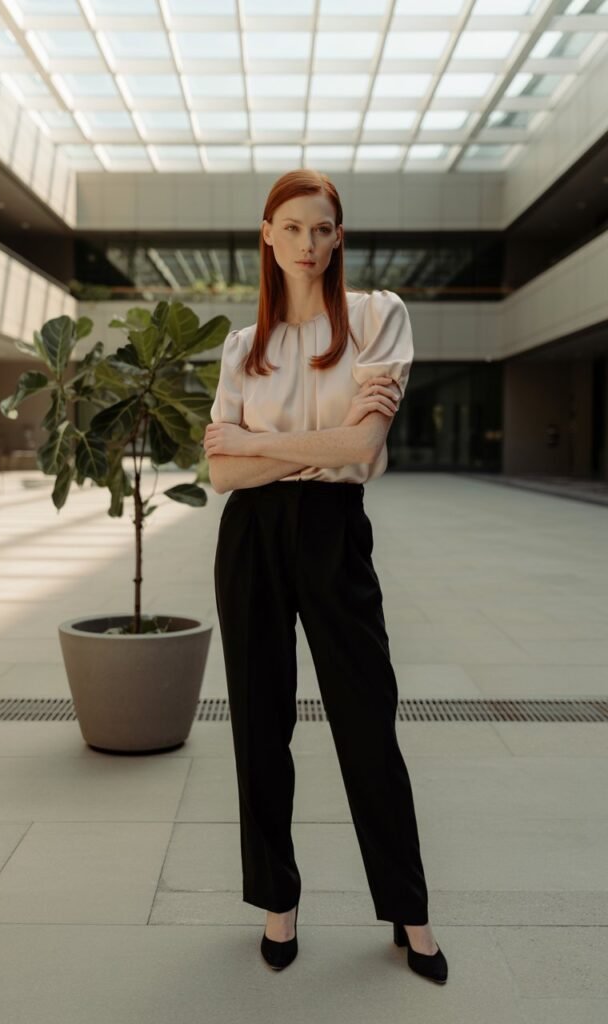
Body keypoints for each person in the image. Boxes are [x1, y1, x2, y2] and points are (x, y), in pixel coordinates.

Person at [203, 169, 448, 985]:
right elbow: (222, 478)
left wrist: (255, 444)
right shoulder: (243, 347)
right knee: (258, 723)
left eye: (322, 229)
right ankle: (277, 902)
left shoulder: (377, 318)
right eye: (293, 227)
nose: (308, 243)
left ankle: (410, 910)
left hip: (335, 533)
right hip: (251, 539)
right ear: (267, 236)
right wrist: (307, 448)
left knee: (367, 720)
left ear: (339, 238)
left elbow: (362, 449)